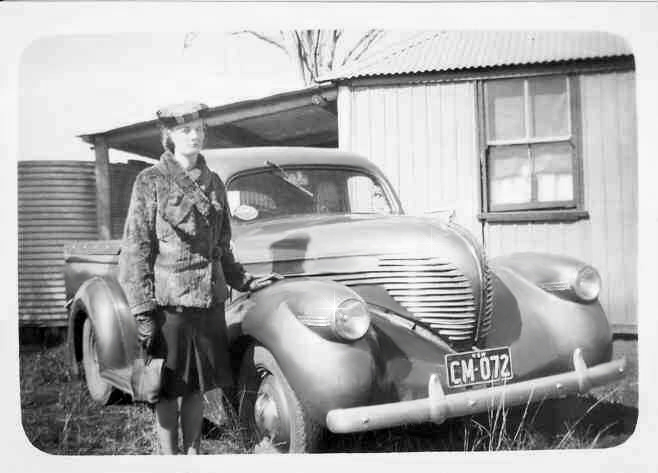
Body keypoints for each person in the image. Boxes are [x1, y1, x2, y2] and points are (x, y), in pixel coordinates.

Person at [118, 101, 277, 455]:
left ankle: (193, 454)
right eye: (186, 130)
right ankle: (169, 456)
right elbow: (135, 251)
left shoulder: (214, 182)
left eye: (199, 129)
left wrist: (243, 281)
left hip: (208, 304)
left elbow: (223, 245)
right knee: (167, 388)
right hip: (169, 307)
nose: (194, 135)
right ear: (169, 136)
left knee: (196, 389)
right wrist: (143, 311)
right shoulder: (151, 182)